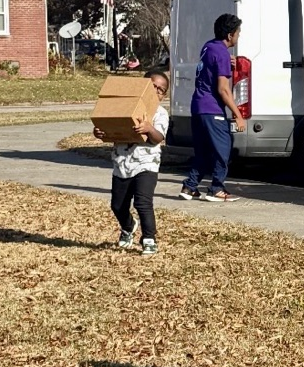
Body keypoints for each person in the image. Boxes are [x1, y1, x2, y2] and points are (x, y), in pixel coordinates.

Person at [93, 68, 170, 255]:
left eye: (160, 89)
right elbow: (111, 127)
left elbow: (158, 138)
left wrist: (148, 128)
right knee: (117, 205)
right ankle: (128, 226)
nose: (156, 91)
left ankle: (149, 238)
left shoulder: (160, 114)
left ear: (164, 95)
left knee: (143, 202)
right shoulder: (124, 107)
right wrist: (101, 132)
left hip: (147, 164)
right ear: (141, 87)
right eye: (152, 86)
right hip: (122, 163)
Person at [179, 13, 246, 203]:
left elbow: (211, 66)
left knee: (204, 151)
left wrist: (228, 62)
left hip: (197, 107)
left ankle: (190, 186)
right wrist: (238, 114)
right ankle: (216, 189)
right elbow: (223, 89)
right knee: (222, 150)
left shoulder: (208, 46)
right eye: (238, 33)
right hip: (212, 109)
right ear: (230, 35)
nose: (238, 36)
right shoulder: (222, 53)